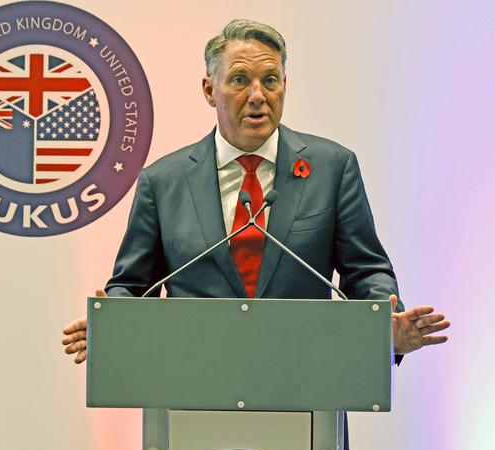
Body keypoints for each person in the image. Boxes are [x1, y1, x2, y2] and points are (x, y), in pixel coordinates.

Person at [63, 19, 449, 367]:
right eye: (239, 80)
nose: (257, 95)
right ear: (209, 90)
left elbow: (366, 271)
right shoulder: (163, 182)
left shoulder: (333, 168)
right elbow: (133, 287)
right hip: (191, 384)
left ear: (285, 85)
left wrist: (384, 323)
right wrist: (113, 322)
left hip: (307, 381)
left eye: (270, 80)